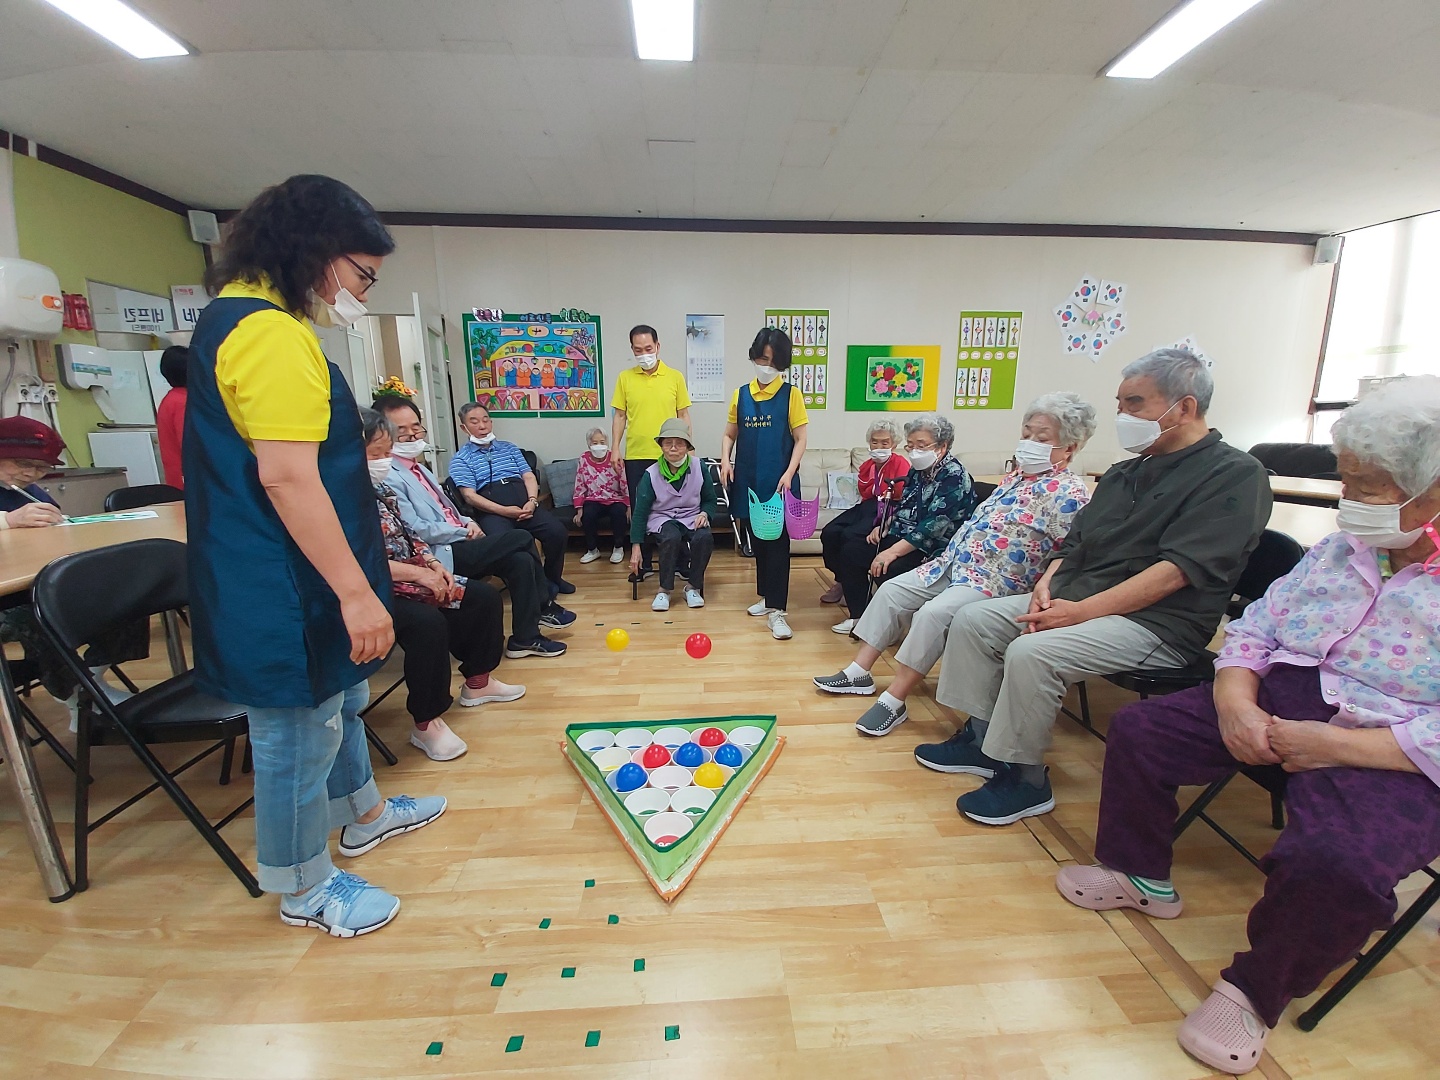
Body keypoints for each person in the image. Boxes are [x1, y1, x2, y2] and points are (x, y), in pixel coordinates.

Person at [1054, 377, 1440, 1075]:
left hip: (1399, 743)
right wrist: (1234, 699)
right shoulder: (1343, 550)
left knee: (1340, 865)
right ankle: (1139, 873)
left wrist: (1338, 745)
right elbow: (1258, 626)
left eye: (1368, 487)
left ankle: (1257, 991)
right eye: (1346, 480)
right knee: (1142, 732)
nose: (1348, 499)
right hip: (1282, 692)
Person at [187, 174, 444, 938]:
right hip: (281, 577)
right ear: (318, 252)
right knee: (298, 730)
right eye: (363, 274)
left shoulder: (247, 319)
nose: (362, 291)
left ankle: (363, 813)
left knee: (339, 701)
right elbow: (288, 477)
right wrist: (357, 594)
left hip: (300, 570)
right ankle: (304, 886)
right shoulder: (266, 333)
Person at [918, 348, 1270, 828]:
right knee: (973, 618)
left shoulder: (1234, 475)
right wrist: (1047, 583)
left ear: (1184, 408)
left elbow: (1176, 572)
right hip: (1080, 596)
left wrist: (1079, 613)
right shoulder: (1125, 473)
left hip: (1158, 623)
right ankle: (981, 739)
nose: (1122, 416)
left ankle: (1026, 780)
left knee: (1033, 652)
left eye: (1135, 404)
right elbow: (1075, 542)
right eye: (1120, 404)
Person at [815, 393, 1096, 736]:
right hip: (953, 560)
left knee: (932, 614)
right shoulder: (1016, 477)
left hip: (995, 579)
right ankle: (859, 671)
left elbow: (1068, 551)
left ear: (1070, 448)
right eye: (1026, 434)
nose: (1029, 443)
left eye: (1042, 438)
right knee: (892, 591)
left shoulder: (1069, 493)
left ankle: (894, 699)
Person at [361, 408, 523, 762]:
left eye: (386, 451)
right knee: (427, 625)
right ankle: (426, 722)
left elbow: (410, 535)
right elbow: (360, 562)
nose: (385, 460)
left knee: (482, 597)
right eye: (376, 454)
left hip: (419, 573)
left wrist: (433, 566)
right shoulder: (340, 500)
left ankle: (478, 682)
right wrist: (421, 575)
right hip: (375, 590)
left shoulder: (382, 488)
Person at [372, 394, 571, 658]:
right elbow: (416, 528)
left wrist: (468, 521)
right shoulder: (390, 475)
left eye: (416, 427)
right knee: (521, 538)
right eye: (402, 430)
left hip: (474, 529)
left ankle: (525, 639)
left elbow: (450, 509)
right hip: (441, 550)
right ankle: (545, 604)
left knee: (521, 560)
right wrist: (464, 530)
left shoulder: (421, 469)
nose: (412, 435)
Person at [0, 416, 144, 716]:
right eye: (22, 463)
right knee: (41, 617)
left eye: (41, 468)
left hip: (36, 580)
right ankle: (76, 699)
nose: (30, 473)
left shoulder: (26, 489)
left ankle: (92, 677)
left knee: (129, 588)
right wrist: (9, 520)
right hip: (9, 597)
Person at [827, 414, 979, 633]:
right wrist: (886, 524)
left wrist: (891, 552)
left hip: (933, 547)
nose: (915, 451)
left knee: (888, 566)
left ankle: (890, 625)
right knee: (852, 550)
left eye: (921, 445)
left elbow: (934, 526)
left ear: (942, 446)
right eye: (911, 445)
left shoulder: (954, 476)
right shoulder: (918, 471)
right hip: (905, 535)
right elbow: (904, 504)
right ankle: (860, 616)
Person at [720, 327, 808, 640]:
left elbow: (801, 439)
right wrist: (725, 460)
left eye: (772, 361)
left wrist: (789, 472)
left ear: (782, 363)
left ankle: (779, 611)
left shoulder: (791, 395)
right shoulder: (741, 394)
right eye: (761, 359)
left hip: (779, 481)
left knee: (778, 544)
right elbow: (729, 433)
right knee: (757, 539)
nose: (766, 366)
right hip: (748, 478)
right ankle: (766, 598)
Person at [448, 402, 573, 594]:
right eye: (474, 422)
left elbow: (528, 476)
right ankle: (538, 589)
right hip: (493, 512)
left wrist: (532, 501)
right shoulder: (460, 459)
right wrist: (505, 511)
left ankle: (553, 578)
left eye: (485, 420)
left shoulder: (510, 448)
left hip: (525, 504)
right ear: (464, 427)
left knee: (556, 532)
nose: (482, 426)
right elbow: (469, 496)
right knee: (516, 547)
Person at [611, 324, 692, 572]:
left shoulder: (675, 377)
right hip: (637, 455)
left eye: (648, 348)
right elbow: (620, 416)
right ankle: (643, 564)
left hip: (671, 455)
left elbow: (683, 414)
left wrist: (689, 448)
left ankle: (680, 563)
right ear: (632, 350)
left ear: (658, 346)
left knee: (676, 509)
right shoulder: (625, 378)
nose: (644, 354)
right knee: (641, 511)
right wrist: (615, 448)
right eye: (638, 350)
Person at [630, 418, 716, 611]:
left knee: (704, 537)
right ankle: (664, 590)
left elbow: (710, 500)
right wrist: (636, 547)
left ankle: (693, 587)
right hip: (662, 518)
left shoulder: (699, 467)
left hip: (692, 516)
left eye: (679, 443)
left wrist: (705, 514)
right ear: (661, 446)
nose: (673, 448)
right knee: (671, 536)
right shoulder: (651, 474)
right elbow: (640, 512)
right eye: (668, 443)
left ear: (687, 446)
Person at [819, 419, 908, 605]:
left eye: (885, 443)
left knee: (849, 535)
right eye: (875, 442)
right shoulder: (867, 465)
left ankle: (853, 584)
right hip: (868, 505)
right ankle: (842, 579)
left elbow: (900, 493)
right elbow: (864, 492)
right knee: (830, 532)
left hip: (890, 506)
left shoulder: (900, 463)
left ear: (894, 444)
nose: (879, 446)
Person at [573, 427, 630, 564]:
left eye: (602, 442)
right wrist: (579, 509)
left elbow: (624, 482)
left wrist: (629, 506)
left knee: (618, 513)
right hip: (593, 498)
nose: (599, 445)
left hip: (615, 498)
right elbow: (579, 483)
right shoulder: (584, 459)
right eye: (595, 443)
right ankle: (592, 550)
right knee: (588, 514)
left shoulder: (615, 458)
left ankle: (618, 548)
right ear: (589, 444)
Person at [155, 345, 190, 489]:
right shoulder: (183, 401)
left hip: (177, 477)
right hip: (189, 479)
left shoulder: (171, 398)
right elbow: (190, 444)